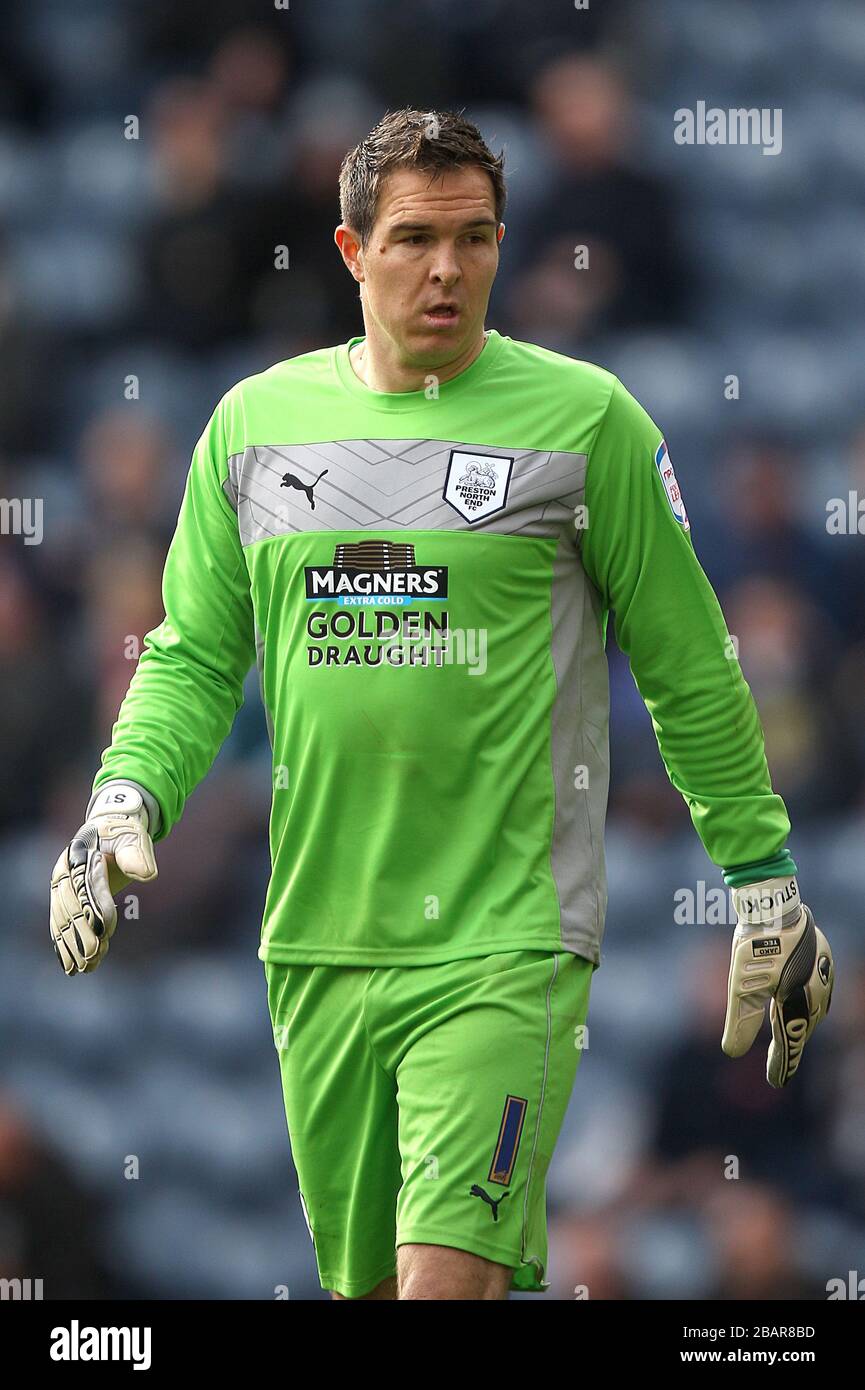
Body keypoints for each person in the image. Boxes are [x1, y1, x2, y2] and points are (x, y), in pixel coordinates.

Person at [49, 108, 834, 1301]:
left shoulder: (587, 424)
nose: (447, 269)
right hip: (319, 938)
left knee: (440, 1285)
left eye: (475, 239)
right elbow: (196, 655)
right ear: (353, 250)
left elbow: (690, 660)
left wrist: (762, 877)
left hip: (504, 941)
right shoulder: (253, 433)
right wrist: (123, 796)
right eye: (414, 238)